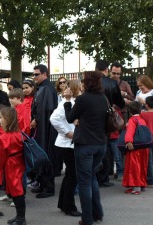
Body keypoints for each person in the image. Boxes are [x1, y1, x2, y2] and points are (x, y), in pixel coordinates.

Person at [64, 71, 107, 225]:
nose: (81, 82)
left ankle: (87, 219)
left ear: (86, 83)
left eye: (82, 80)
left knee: (84, 182)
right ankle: (97, 213)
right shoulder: (103, 98)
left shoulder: (83, 99)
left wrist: (67, 101)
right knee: (92, 177)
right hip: (101, 144)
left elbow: (69, 117)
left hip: (85, 146)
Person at [50, 80, 82, 217]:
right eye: (80, 88)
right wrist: (67, 133)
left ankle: (64, 204)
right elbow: (53, 119)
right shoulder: (67, 103)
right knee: (72, 176)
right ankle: (69, 207)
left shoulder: (71, 102)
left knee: (70, 175)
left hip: (67, 144)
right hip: (67, 144)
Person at [95, 60, 125, 187]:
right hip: (106, 119)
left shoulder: (89, 81)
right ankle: (103, 177)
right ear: (107, 70)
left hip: (90, 120)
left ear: (96, 69)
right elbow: (120, 102)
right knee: (104, 149)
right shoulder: (112, 83)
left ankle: (95, 174)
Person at [31, 64, 58, 198]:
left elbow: (46, 109)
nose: (34, 77)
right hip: (43, 128)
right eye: (34, 74)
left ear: (44, 74)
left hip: (45, 129)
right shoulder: (43, 88)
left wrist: (36, 119)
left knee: (46, 154)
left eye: (36, 74)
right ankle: (43, 184)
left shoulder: (46, 88)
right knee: (43, 154)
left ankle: (48, 187)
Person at [123, 101, 149, 195]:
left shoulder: (132, 120)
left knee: (134, 166)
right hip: (144, 147)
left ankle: (135, 187)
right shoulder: (142, 120)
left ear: (130, 111)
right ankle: (142, 184)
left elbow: (130, 131)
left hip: (135, 147)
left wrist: (128, 141)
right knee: (142, 165)